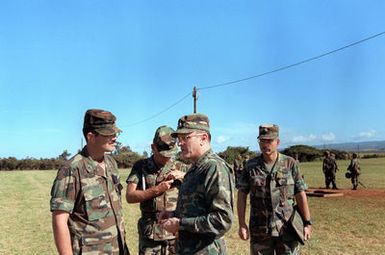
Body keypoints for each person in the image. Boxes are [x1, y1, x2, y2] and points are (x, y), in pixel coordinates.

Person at [50, 109, 130, 255]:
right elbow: (60, 220)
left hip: (118, 248)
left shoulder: (111, 164)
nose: (114, 138)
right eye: (108, 134)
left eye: (115, 133)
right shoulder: (72, 169)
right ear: (91, 137)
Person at [159, 113, 234, 254]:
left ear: (203, 138)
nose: (179, 143)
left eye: (185, 137)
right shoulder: (195, 167)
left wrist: (180, 224)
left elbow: (222, 220)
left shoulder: (214, 167)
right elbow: (197, 208)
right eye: (179, 138)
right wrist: (174, 214)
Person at [237, 124, 312, 255]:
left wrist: (307, 222)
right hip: (260, 231)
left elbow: (300, 193)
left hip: (287, 228)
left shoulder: (290, 164)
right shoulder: (250, 166)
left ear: (277, 142)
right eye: (262, 140)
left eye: (269, 141)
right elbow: (242, 195)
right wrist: (242, 224)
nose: (265, 144)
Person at [126, 125, 188, 255]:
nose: (167, 158)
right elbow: (130, 196)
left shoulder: (181, 167)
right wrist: (156, 190)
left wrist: (184, 176)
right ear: (153, 147)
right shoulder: (141, 167)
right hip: (150, 234)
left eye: (170, 154)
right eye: (164, 154)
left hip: (174, 233)